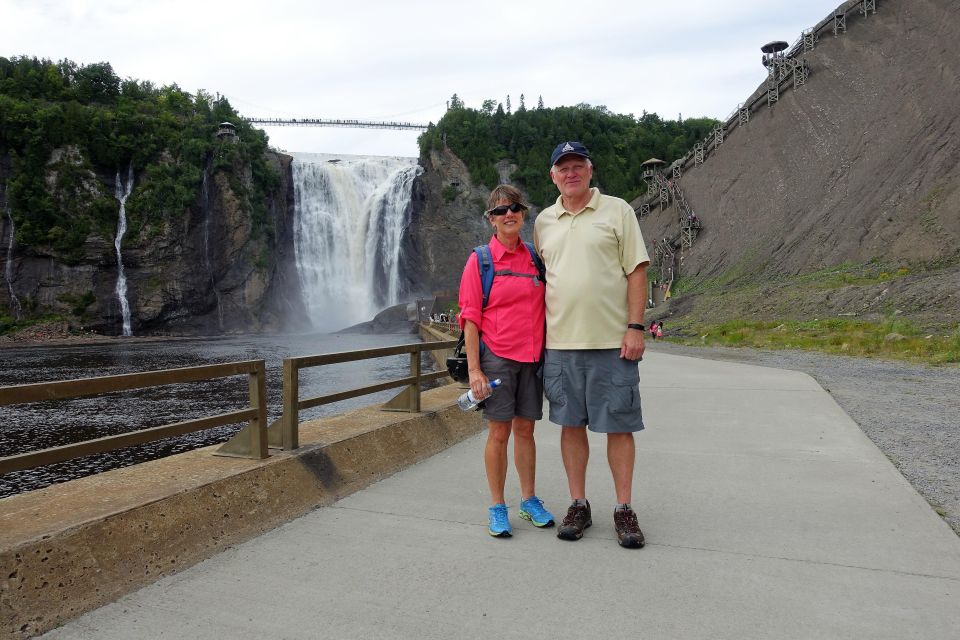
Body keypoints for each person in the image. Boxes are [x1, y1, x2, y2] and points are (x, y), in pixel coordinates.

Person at [534, 141, 651, 549]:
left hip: (612, 342)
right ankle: (578, 503)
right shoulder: (543, 222)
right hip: (560, 344)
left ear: (590, 170)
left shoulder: (618, 210)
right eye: (563, 168)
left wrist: (635, 327)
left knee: (618, 426)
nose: (571, 173)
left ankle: (623, 509)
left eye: (577, 166)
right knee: (570, 425)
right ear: (553, 176)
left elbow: (637, 270)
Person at [458, 184, 555, 538]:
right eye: (500, 211)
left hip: (531, 359)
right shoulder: (481, 260)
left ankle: (528, 501)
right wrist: (474, 371)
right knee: (499, 433)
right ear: (491, 219)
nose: (508, 214)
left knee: (526, 431)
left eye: (514, 207)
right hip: (497, 359)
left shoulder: (535, 258)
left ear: (524, 213)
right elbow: (470, 319)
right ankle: (498, 506)